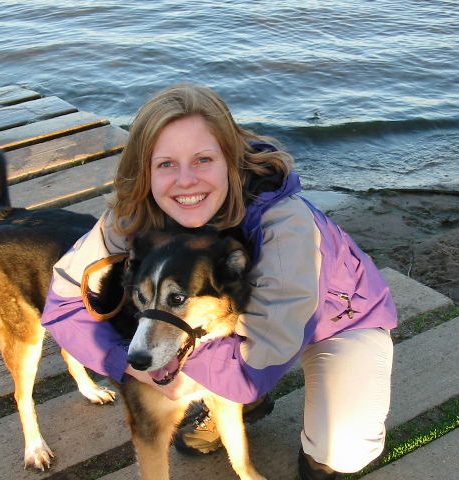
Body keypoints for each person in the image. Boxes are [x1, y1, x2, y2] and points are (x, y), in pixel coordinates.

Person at [41, 82, 397, 479]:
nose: (186, 181)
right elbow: (63, 304)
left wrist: (187, 375)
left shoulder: (287, 226)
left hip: (337, 319)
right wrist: (129, 365)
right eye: (166, 164)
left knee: (344, 449)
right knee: (206, 363)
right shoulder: (133, 215)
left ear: (230, 157)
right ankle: (230, 402)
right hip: (229, 325)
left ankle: (310, 451)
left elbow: (253, 368)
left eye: (203, 159)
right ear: (144, 169)